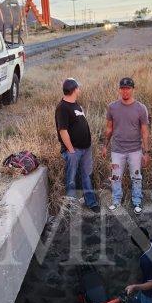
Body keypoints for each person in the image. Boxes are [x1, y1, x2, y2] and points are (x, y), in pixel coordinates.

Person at [102, 77, 151, 215]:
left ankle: (137, 202)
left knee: (136, 177)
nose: (125, 91)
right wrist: (105, 145)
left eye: (128, 88)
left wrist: (146, 152)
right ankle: (116, 201)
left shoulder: (141, 108)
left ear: (133, 89)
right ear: (119, 90)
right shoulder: (112, 107)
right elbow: (109, 129)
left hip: (135, 150)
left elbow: (145, 132)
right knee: (116, 177)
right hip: (117, 150)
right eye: (123, 88)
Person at [55, 78, 100, 212]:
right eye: (78, 88)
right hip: (73, 150)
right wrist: (71, 150)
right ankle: (71, 205)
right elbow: (62, 130)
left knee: (87, 175)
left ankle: (91, 202)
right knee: (71, 178)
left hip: (86, 149)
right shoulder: (62, 107)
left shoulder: (76, 105)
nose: (79, 90)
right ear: (74, 90)